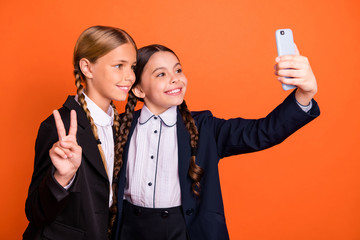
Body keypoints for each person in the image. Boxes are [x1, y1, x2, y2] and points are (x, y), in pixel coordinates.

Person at [110, 44, 320, 240]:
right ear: (138, 90)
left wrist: (304, 94)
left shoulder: (206, 128)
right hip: (129, 230)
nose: (175, 79)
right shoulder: (118, 127)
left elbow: (262, 132)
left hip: (185, 230)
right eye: (161, 74)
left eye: (178, 70)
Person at [23, 25, 137, 240]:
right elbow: (36, 212)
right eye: (118, 66)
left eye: (132, 67)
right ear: (87, 67)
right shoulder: (60, 126)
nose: (130, 76)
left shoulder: (123, 126)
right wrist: (61, 178)